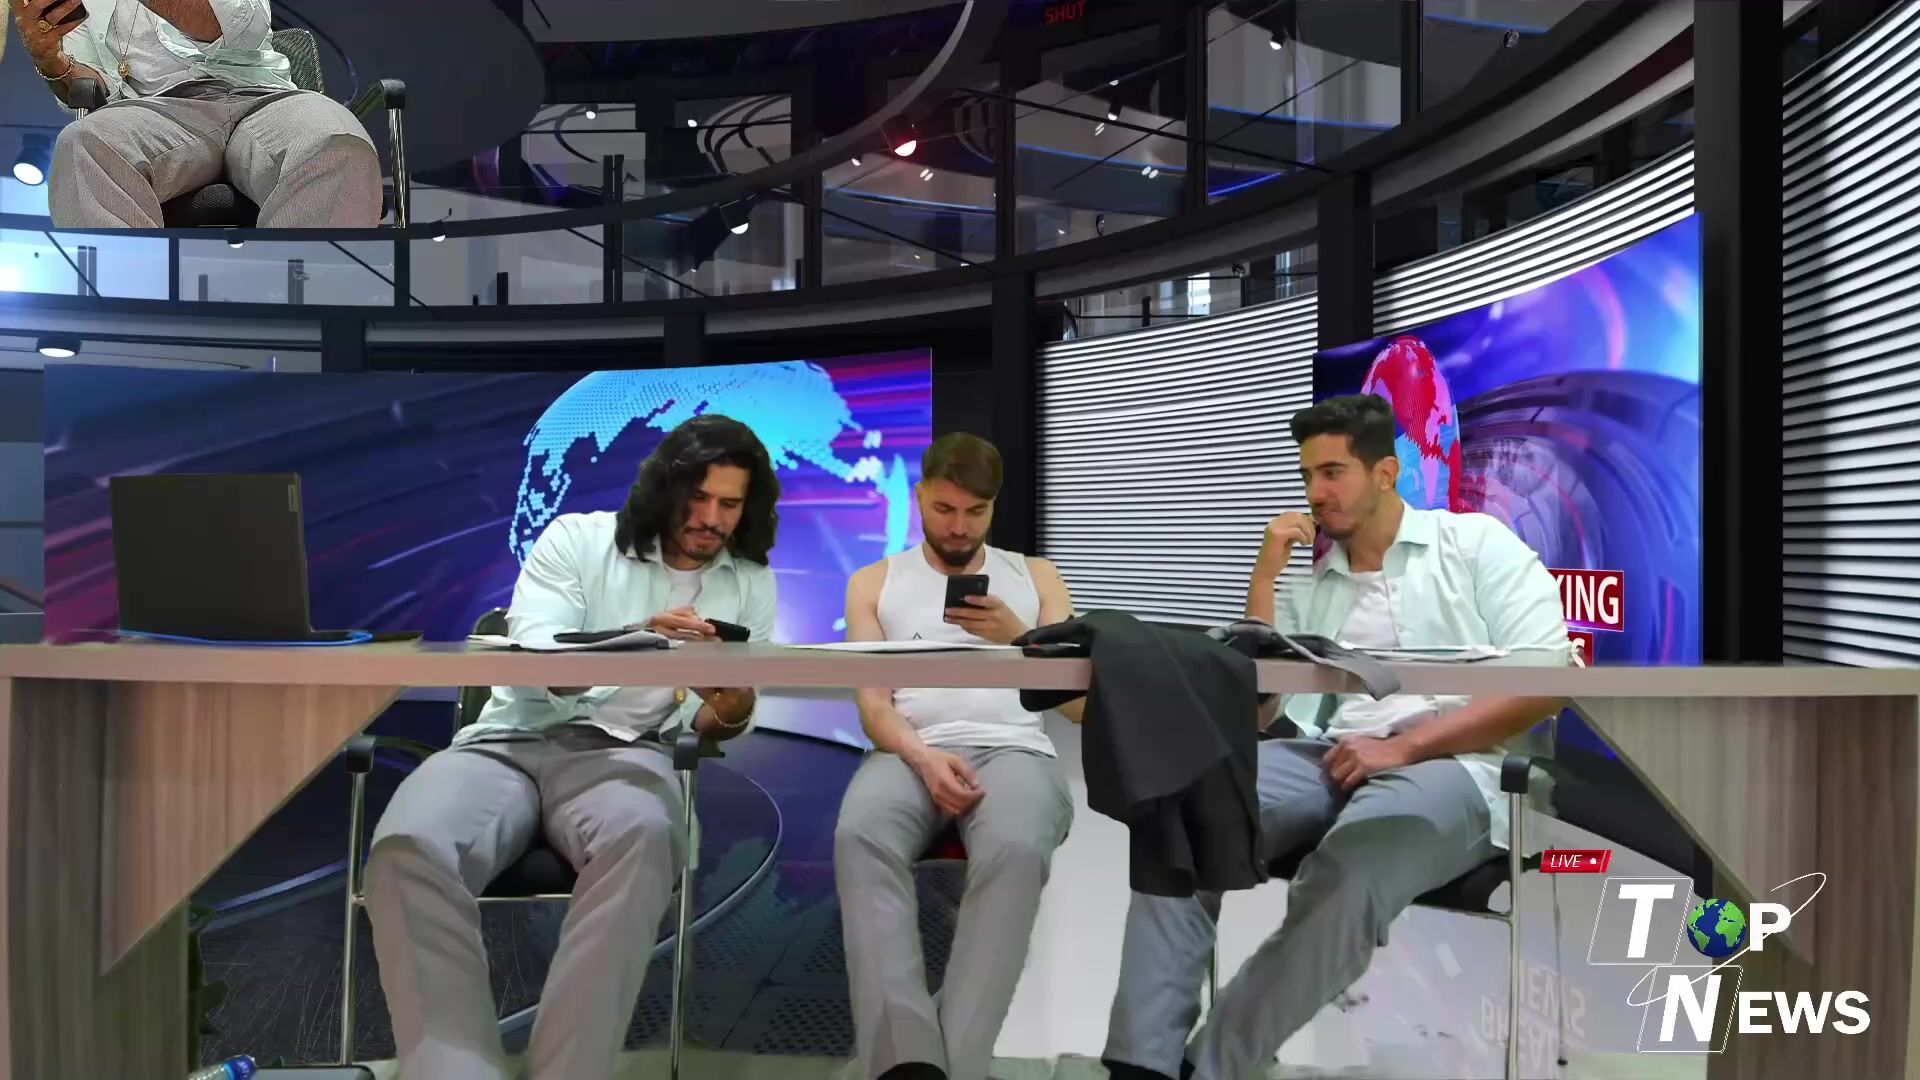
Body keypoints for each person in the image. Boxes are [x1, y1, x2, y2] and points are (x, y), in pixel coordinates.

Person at [1103, 393, 1570, 1080]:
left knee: (1348, 873)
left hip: (1460, 764)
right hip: (1334, 756)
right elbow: (1255, 707)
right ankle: (1141, 1065)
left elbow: (1546, 682)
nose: (1315, 493)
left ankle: (1214, 1066)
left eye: (1332, 473)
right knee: (1184, 812)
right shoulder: (1318, 586)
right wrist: (1266, 573)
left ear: (1385, 473)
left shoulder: (1475, 546)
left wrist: (1404, 747)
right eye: (1307, 476)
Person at [363, 414, 780, 1080]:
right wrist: (638, 639)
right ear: (665, 489)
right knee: (405, 847)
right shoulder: (578, 539)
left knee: (646, 835)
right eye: (697, 498)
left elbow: (716, 722)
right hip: (506, 741)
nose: (710, 519)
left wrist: (730, 708)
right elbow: (538, 657)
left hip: (629, 756)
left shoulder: (750, 581)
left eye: (728, 505)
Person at [835, 432, 1084, 1080]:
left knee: (1017, 847)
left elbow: (1078, 708)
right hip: (907, 750)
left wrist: (1021, 638)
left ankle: (958, 1065)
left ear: (994, 507)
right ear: (920, 497)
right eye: (944, 509)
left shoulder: (1037, 577)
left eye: (975, 512)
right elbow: (873, 708)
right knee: (860, 833)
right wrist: (922, 758)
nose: (958, 526)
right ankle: (908, 1061)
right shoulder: (873, 583)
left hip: (1016, 750)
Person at [8, 0, 380, 227]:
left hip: (265, 96)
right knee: (84, 143)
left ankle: (300, 315)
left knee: (336, 143)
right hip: (160, 112)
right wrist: (51, 60)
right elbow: (93, 85)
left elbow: (239, 29)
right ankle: (140, 318)